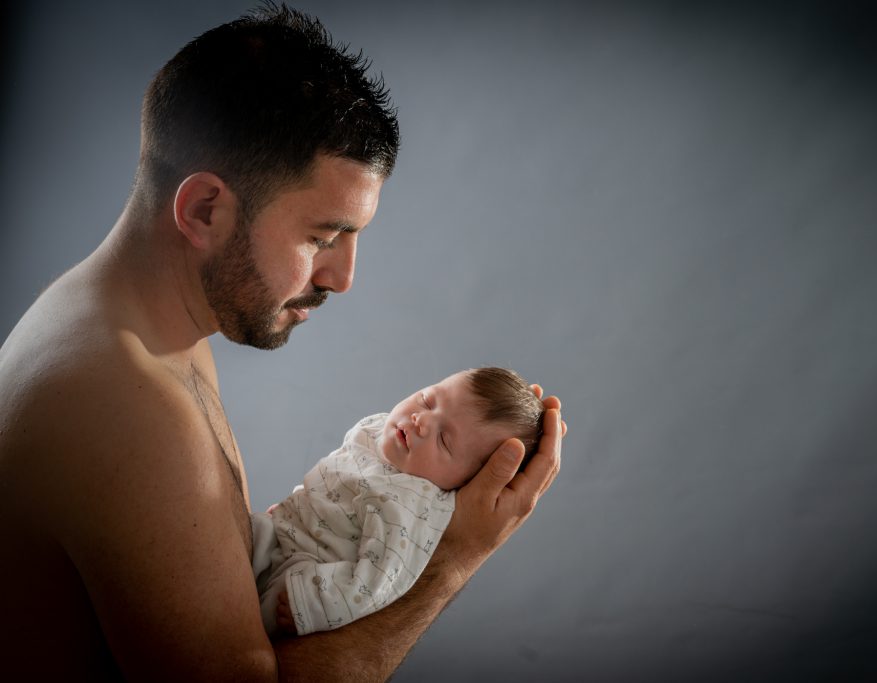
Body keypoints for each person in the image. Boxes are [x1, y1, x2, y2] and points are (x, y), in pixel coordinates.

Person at [0, 5, 564, 681]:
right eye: (322, 238)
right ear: (205, 209)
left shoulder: (145, 331)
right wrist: (455, 558)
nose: (343, 277)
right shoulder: (124, 405)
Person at [253, 367, 544, 638]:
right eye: (428, 400)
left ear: (465, 484)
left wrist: (315, 605)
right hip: (280, 530)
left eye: (444, 440)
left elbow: (378, 581)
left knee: (245, 631)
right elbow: (333, 477)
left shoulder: (414, 508)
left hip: (309, 571)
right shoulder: (378, 430)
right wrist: (293, 508)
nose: (422, 420)